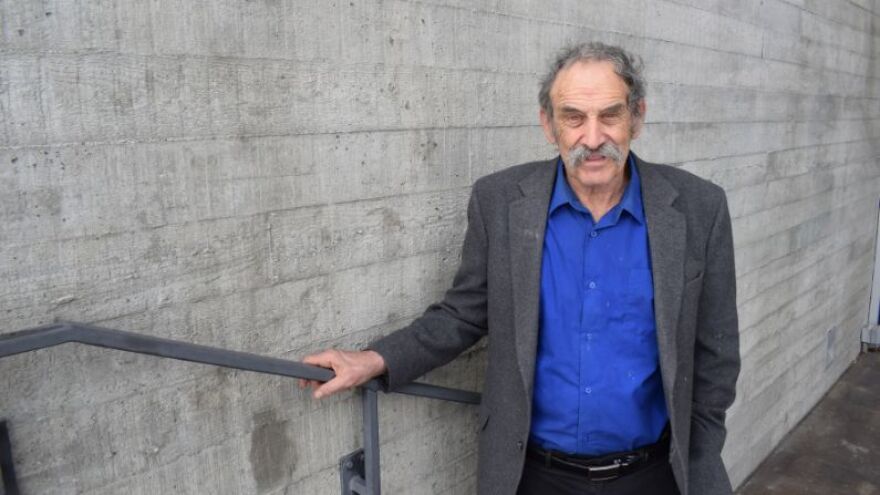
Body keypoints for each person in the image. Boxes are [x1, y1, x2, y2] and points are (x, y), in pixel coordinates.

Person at [299, 42, 740, 495]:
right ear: (548, 124)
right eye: (573, 117)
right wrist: (375, 359)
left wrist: (700, 454)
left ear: (637, 116)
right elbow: (464, 313)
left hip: (656, 475)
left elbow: (717, 354)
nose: (592, 138)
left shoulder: (698, 209)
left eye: (609, 115)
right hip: (533, 476)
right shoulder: (501, 202)